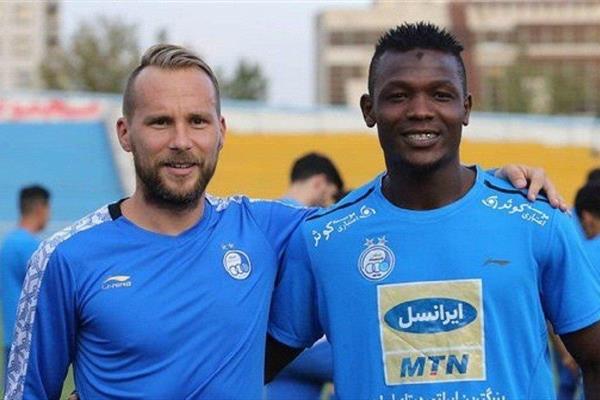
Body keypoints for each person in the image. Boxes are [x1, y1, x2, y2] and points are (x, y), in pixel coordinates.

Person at [5, 43, 564, 400]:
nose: (181, 141)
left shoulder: (272, 230)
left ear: (221, 131)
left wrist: (491, 182)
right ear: (126, 134)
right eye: (159, 123)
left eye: (197, 121)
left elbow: (393, 211)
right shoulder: (67, 257)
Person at [266, 22, 600, 399]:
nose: (421, 111)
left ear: (466, 108)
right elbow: (247, 363)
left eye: (441, 95)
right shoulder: (323, 239)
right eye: (399, 96)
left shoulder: (536, 220)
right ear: (369, 109)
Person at [266, 153, 341, 400]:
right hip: (307, 341)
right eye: (330, 196)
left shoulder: (259, 221)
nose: (330, 205)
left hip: (269, 345)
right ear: (319, 182)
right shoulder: (317, 226)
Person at [0, 185, 50, 364]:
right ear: (40, 208)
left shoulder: (8, 243)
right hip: (30, 339)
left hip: (12, 336)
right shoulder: (31, 247)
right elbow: (48, 291)